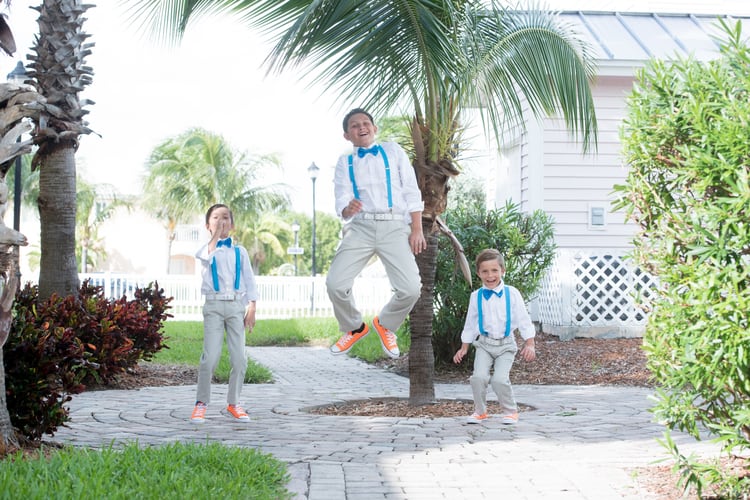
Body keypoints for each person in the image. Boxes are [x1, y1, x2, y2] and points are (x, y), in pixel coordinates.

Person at [327, 108, 427, 359]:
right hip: (360, 227)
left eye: (365, 123)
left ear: (374, 128)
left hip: (394, 226)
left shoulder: (393, 151)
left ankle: (385, 324)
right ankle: (354, 327)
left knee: (411, 289)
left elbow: (411, 190)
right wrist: (347, 208)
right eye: (354, 125)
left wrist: (417, 229)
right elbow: (341, 197)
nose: (361, 127)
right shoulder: (344, 162)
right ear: (346, 135)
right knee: (335, 284)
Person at [190, 203, 258, 423]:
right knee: (210, 357)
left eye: (226, 218)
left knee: (240, 359)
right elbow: (207, 256)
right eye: (216, 218)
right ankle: (201, 403)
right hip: (213, 307)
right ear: (207, 224)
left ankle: (234, 403)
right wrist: (216, 236)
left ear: (233, 224)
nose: (221, 221)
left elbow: (249, 280)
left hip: (236, 307)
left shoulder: (240, 251)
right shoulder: (205, 250)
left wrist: (252, 307)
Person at [453, 248, 536, 424]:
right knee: (478, 378)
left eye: (494, 271)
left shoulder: (512, 293)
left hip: (506, 345)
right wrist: (464, 347)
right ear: (478, 273)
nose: (490, 276)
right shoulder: (476, 296)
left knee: (499, 380)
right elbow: (471, 323)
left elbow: (523, 319)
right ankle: (480, 412)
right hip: (484, 344)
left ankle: (510, 411)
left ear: (502, 271)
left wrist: (530, 344)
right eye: (485, 271)